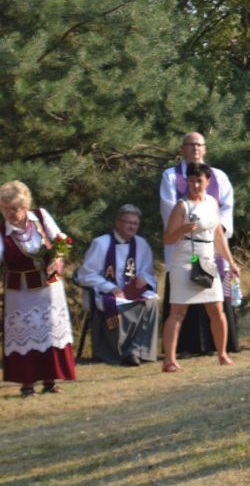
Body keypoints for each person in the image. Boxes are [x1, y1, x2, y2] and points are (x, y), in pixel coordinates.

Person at [159, 132, 238, 354]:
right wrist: (188, 226)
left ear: (205, 148)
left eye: (199, 144)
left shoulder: (219, 176)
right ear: (182, 148)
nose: (195, 148)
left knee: (215, 304)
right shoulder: (171, 176)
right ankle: (183, 348)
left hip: (212, 246)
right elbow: (169, 208)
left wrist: (218, 230)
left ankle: (219, 348)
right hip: (184, 246)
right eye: (190, 144)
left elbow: (226, 206)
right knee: (180, 304)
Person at [1, 181, 76, 397]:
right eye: (4, 209)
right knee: (24, 333)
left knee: (50, 330)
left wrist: (58, 257)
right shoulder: (3, 231)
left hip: (49, 286)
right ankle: (27, 385)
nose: (9, 213)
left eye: (14, 208)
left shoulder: (41, 217)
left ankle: (50, 381)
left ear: (25, 206)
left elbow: (61, 239)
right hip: (20, 291)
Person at [76, 204, 160, 366]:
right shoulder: (101, 243)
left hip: (131, 291)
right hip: (105, 292)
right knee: (117, 304)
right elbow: (85, 274)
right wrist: (111, 288)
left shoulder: (141, 244)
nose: (132, 227)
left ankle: (139, 350)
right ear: (118, 223)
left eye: (135, 223)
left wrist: (143, 279)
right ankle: (119, 352)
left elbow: (148, 272)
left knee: (152, 302)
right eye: (128, 222)